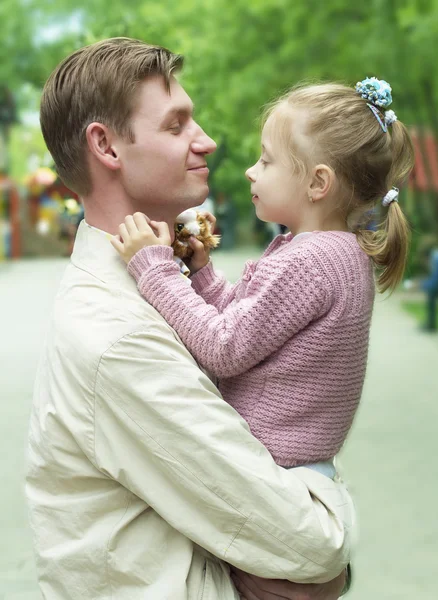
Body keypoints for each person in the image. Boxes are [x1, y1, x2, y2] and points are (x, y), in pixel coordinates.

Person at [26, 37, 353, 600]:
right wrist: (327, 502)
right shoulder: (118, 337)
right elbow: (312, 546)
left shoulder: (137, 284)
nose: (208, 140)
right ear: (106, 146)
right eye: (177, 126)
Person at [112, 77, 415, 477]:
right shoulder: (336, 252)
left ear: (318, 183)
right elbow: (250, 326)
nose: (251, 171)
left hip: (269, 472)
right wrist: (201, 274)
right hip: (297, 465)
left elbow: (224, 347)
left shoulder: (310, 261)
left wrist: (154, 268)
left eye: (267, 161)